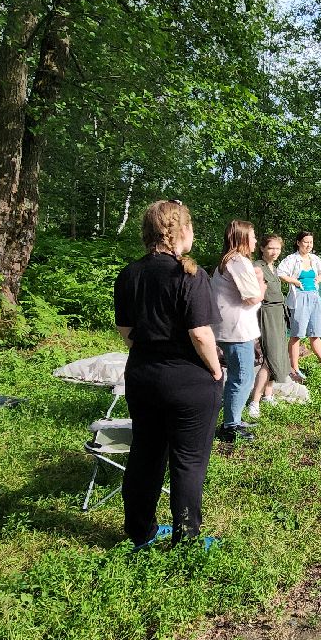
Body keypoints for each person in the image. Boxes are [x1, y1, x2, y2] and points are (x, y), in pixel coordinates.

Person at [113, 199, 223, 549]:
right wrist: (216, 370)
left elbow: (127, 332)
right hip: (187, 381)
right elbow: (201, 334)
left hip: (143, 377)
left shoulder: (129, 274)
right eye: (190, 227)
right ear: (179, 231)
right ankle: (187, 538)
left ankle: (139, 532)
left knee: (145, 453)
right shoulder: (189, 275)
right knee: (188, 460)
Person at [212, 220, 265, 443]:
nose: (255, 241)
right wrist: (261, 281)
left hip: (231, 329)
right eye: (252, 237)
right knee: (242, 377)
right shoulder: (238, 261)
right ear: (243, 239)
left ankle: (233, 419)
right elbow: (253, 297)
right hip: (236, 331)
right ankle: (230, 426)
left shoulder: (227, 262)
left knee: (239, 375)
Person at [277, 231, 321, 381]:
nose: (308, 245)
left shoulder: (314, 259)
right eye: (305, 242)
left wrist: (318, 279)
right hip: (299, 299)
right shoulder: (292, 259)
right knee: (297, 335)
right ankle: (295, 368)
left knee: (315, 333)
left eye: (311, 242)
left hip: (314, 298)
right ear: (298, 243)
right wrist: (295, 281)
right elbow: (280, 273)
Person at [246, 234, 292, 418]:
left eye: (278, 249)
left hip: (278, 313)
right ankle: (254, 402)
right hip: (266, 314)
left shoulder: (273, 268)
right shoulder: (257, 267)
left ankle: (268, 394)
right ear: (262, 248)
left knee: (279, 354)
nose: (274, 252)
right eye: (271, 248)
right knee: (270, 357)